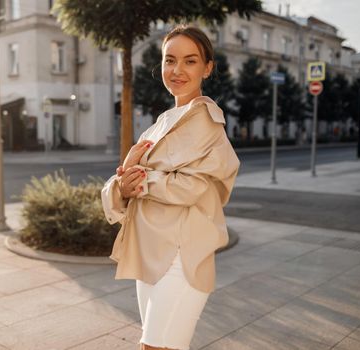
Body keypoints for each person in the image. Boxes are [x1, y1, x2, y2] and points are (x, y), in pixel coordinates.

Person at [101, 25, 240, 350]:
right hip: (150, 252)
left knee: (152, 347)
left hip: (181, 258)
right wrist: (122, 186)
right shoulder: (162, 122)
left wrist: (141, 181)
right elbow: (124, 182)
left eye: (190, 61)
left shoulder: (205, 120)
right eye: (170, 60)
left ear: (207, 68)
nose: (177, 70)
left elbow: (191, 187)